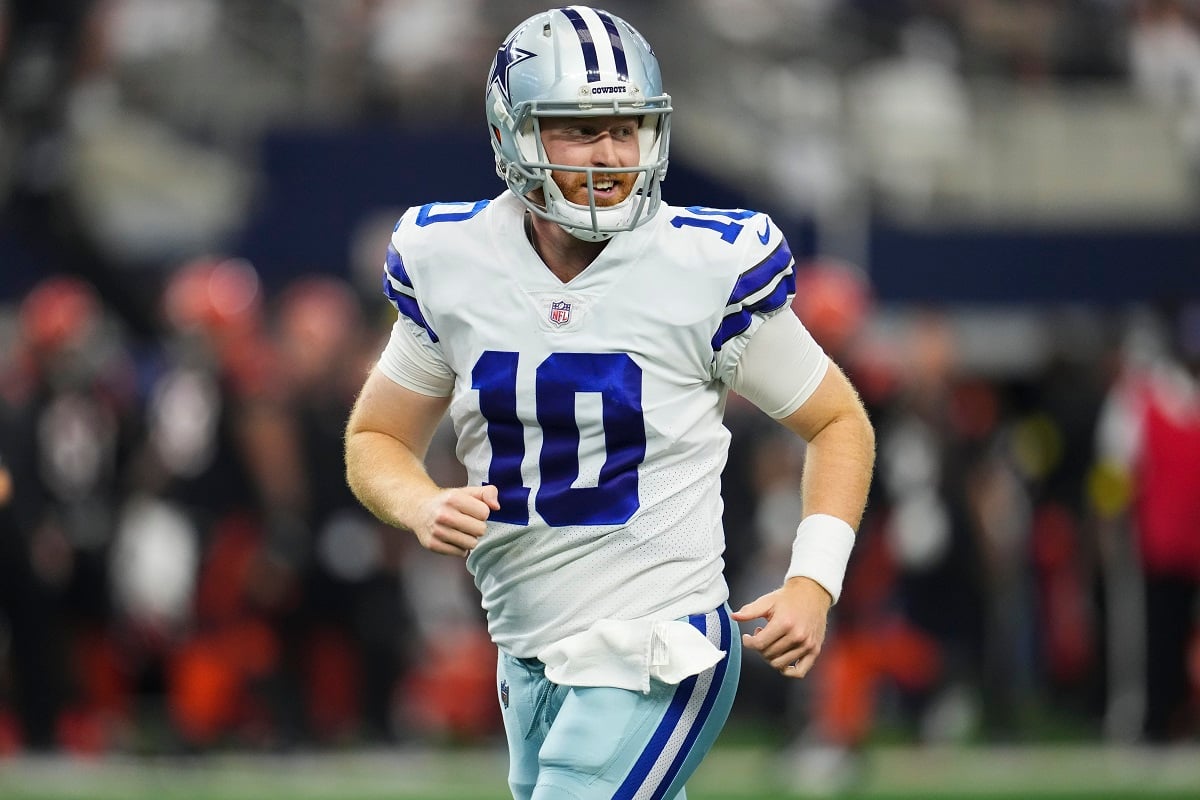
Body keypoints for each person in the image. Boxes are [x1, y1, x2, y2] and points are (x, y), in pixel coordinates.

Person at [344, 6, 875, 798]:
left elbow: (839, 422)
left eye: (626, 129)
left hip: (660, 645)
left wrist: (814, 580)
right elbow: (375, 437)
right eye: (580, 130)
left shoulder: (702, 265)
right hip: (527, 646)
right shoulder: (449, 260)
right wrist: (419, 503)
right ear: (510, 136)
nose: (610, 156)